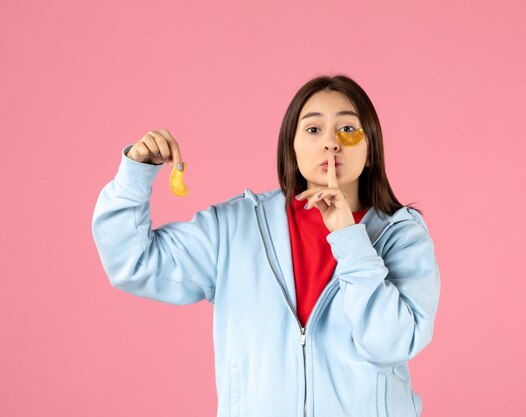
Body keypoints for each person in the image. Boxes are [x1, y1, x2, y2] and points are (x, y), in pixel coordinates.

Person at [91, 74, 441, 417]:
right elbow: (133, 262)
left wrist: (349, 238)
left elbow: (390, 342)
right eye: (314, 129)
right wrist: (136, 174)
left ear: (370, 150)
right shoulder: (235, 228)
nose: (331, 142)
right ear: (292, 144)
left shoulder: (402, 236)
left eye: (348, 129)